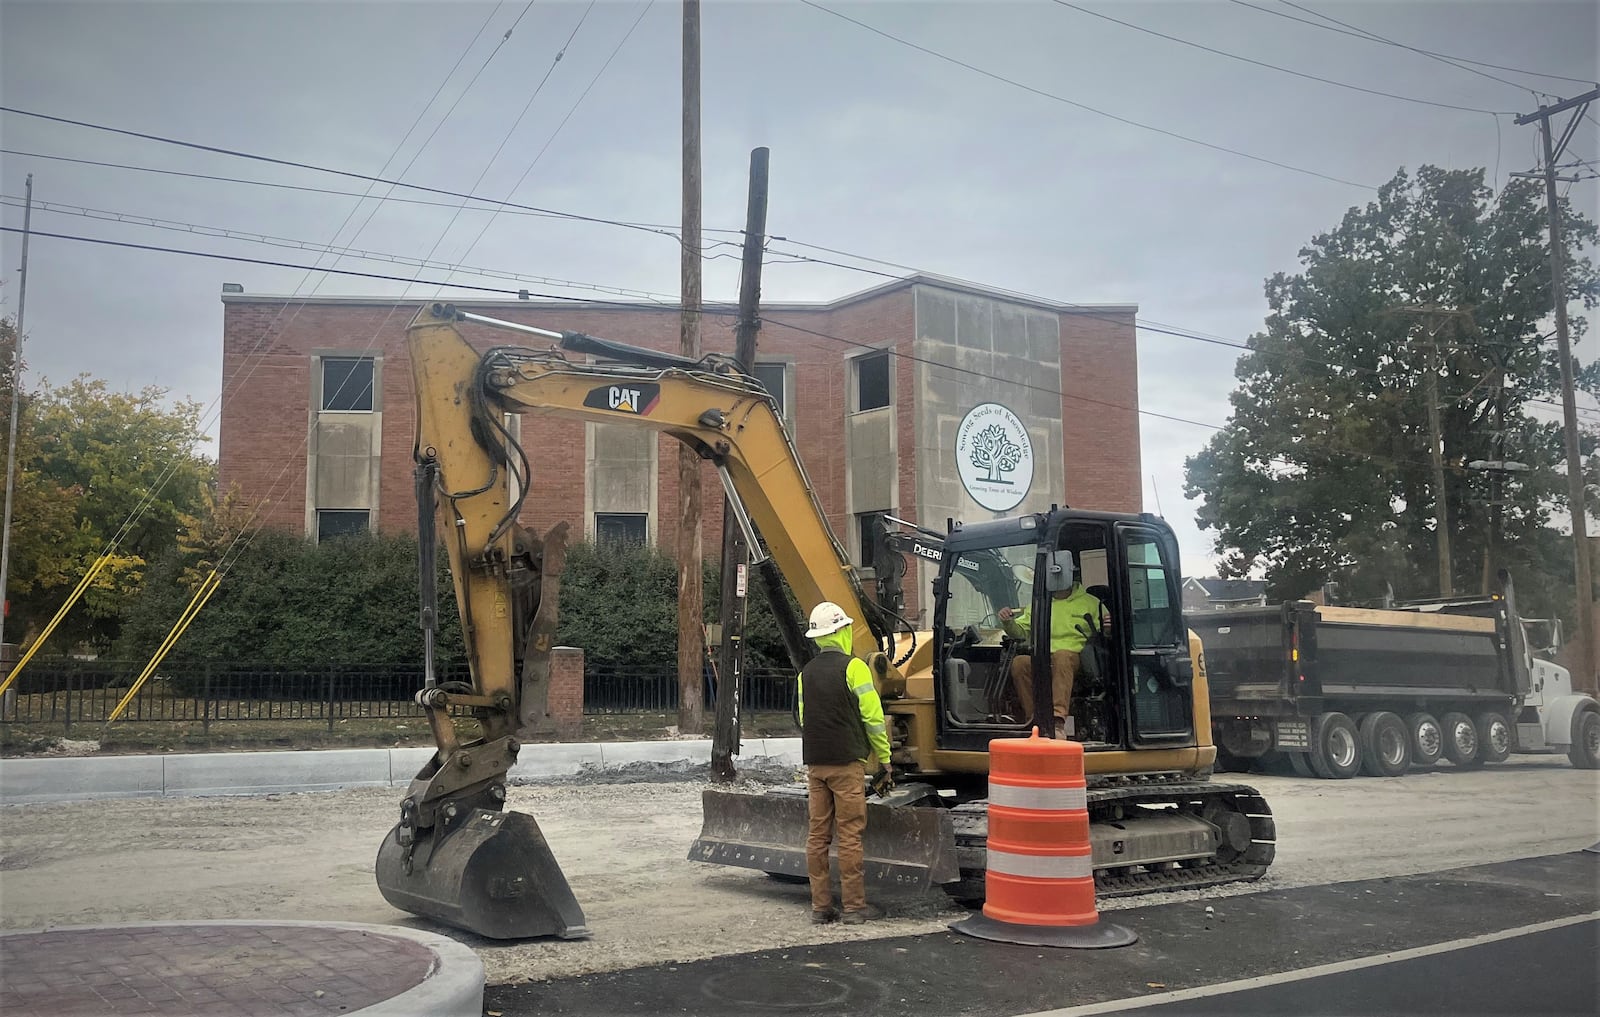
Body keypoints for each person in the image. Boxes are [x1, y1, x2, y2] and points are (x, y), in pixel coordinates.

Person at [796, 600, 893, 925]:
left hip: (816, 764)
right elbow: (874, 718)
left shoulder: (804, 674)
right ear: (841, 631)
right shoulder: (855, 667)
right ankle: (854, 907)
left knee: (817, 835)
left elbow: (802, 717)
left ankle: (821, 907)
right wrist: (886, 758)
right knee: (850, 835)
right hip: (847, 764)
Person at [1000, 558, 1104, 739]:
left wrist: (1108, 628)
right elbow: (1021, 633)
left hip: (1076, 660)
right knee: (1019, 663)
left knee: (1062, 656)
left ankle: (1057, 721)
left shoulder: (1091, 603)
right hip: (1044, 658)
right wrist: (1008, 621)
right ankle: (1035, 720)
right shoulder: (1039, 606)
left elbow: (1105, 631)